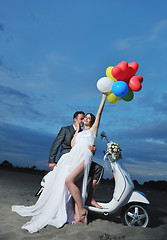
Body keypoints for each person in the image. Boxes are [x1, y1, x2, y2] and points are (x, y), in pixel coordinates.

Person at [11, 93, 106, 233]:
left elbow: (99, 113)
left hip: (84, 157)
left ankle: (83, 209)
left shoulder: (93, 130)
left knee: (70, 181)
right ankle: (79, 215)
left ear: (92, 122)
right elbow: (73, 144)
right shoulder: (76, 132)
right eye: (84, 118)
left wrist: (104, 96)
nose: (86, 119)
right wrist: (77, 132)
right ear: (78, 120)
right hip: (72, 157)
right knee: (76, 186)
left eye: (88, 118)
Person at [48, 111, 104, 209]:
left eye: (85, 118)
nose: (83, 120)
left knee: (99, 168)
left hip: (81, 157)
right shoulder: (66, 129)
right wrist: (52, 160)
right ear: (75, 120)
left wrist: (93, 149)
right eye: (82, 118)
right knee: (71, 179)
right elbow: (56, 144)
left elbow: (87, 143)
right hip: (68, 156)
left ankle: (90, 198)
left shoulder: (84, 131)